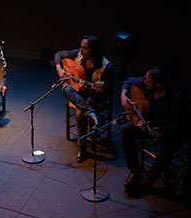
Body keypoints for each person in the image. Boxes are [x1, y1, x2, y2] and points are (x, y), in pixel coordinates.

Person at [119, 67, 178, 197]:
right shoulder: (149, 83)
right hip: (150, 124)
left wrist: (159, 130)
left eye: (148, 82)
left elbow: (175, 126)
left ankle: (146, 183)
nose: (144, 83)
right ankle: (135, 170)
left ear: (159, 85)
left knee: (164, 148)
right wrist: (123, 95)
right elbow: (128, 81)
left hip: (169, 132)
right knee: (125, 129)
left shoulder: (175, 98)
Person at [54, 35, 113, 162]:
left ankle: (83, 148)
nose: (80, 50)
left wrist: (88, 88)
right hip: (80, 94)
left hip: (96, 98)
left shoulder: (106, 67)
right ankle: (90, 112)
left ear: (92, 50)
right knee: (65, 88)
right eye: (81, 47)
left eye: (84, 48)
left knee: (80, 113)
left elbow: (104, 94)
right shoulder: (81, 54)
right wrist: (59, 69)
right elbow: (59, 54)